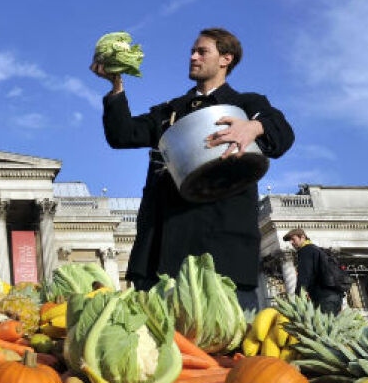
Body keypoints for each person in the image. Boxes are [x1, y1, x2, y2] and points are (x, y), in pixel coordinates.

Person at [94, 28, 295, 309]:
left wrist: (255, 126)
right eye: (192, 51)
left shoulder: (247, 104)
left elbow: (283, 133)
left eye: (202, 51)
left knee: (230, 345)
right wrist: (116, 87)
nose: (192, 57)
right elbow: (122, 134)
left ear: (226, 59)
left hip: (222, 247)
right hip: (164, 248)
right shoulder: (170, 111)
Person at [282, 228, 345, 314]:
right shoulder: (317, 249)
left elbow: (304, 276)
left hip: (323, 298)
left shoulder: (305, 250)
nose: (291, 243)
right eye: (290, 240)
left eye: (293, 239)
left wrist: (297, 298)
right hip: (336, 297)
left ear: (303, 237)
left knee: (322, 326)